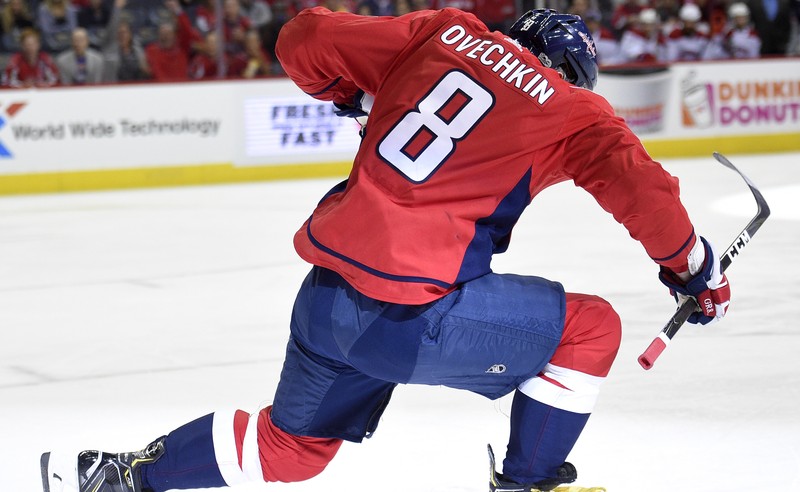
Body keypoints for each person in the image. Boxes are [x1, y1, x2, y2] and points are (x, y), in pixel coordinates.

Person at [40, 7, 731, 492]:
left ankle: (124, 477)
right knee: (590, 328)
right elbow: (644, 194)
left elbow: (302, 35)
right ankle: (529, 486)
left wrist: (348, 98)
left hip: (327, 297)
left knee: (293, 451)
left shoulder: (446, 33)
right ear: (571, 73)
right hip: (412, 316)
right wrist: (695, 272)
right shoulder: (573, 111)